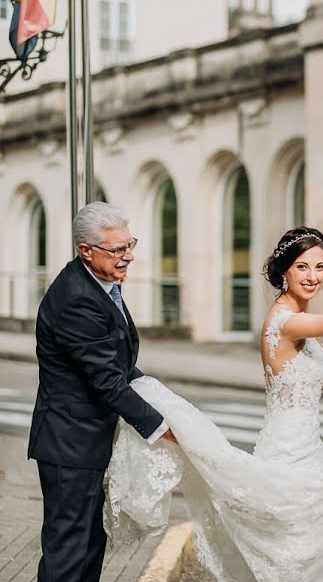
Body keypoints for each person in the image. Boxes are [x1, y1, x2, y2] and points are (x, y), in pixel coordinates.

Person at [102, 227, 323, 582]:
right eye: (302, 267)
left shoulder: (293, 316)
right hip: (291, 461)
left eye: (319, 267)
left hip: (303, 448)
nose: (312, 276)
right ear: (284, 272)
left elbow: (291, 386)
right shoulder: (285, 321)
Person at [28, 201, 176, 582]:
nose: (128, 256)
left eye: (130, 245)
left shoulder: (101, 282)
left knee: (90, 547)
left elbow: (119, 363)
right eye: (118, 249)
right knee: (68, 554)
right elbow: (107, 382)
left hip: (88, 444)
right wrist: (161, 426)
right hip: (69, 447)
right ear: (86, 250)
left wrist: (160, 398)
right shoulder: (77, 298)